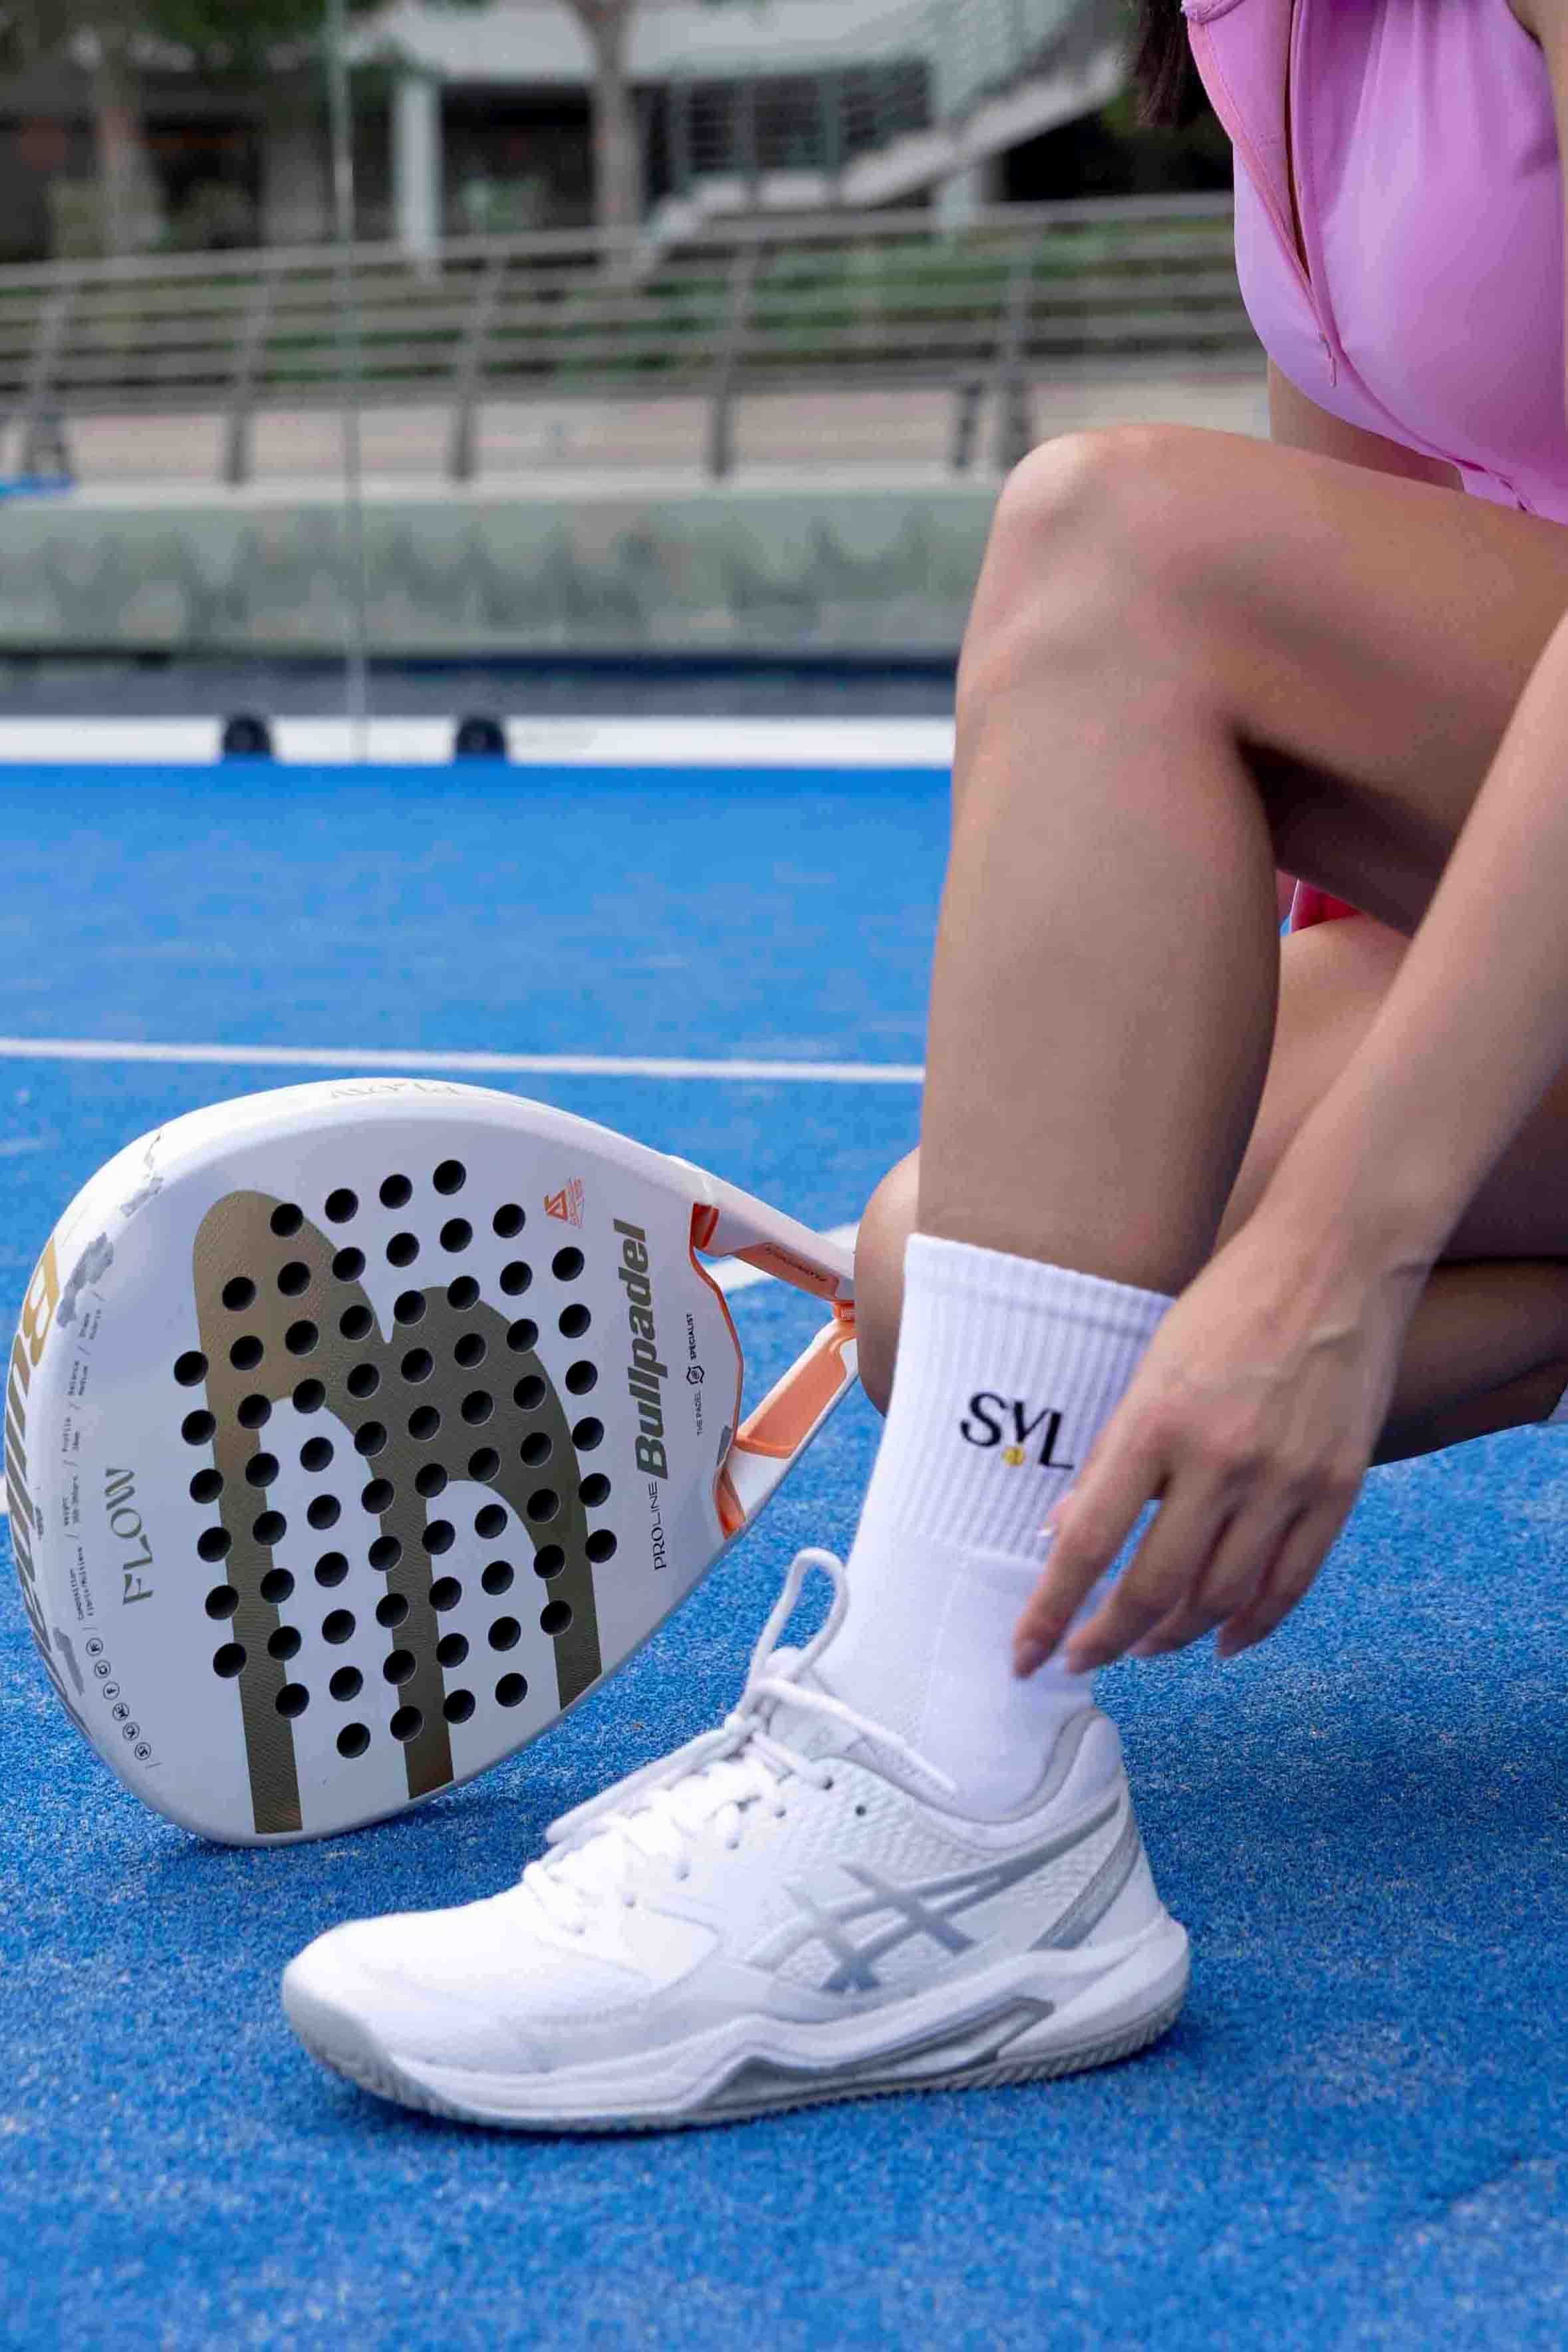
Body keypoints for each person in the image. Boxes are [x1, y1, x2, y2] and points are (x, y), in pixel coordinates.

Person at [280, 0, 1568, 2129]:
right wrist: (1164, 1246)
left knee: (1119, 550)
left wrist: (1344, 1246)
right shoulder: (1271, 34)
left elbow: (1234, 598)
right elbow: (1356, 734)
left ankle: (958, 1781)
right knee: (934, 1273)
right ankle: (953, 1712)